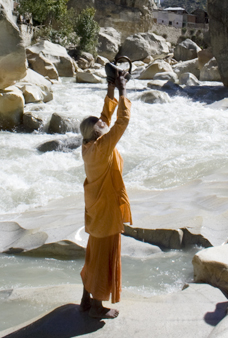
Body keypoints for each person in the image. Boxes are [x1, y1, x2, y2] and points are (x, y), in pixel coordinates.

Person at [78, 69, 132, 318]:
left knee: (94, 253)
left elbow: (105, 116)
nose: (103, 121)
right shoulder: (103, 147)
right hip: (106, 212)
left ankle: (86, 297)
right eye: (100, 124)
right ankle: (98, 308)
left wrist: (110, 86)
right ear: (98, 132)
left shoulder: (89, 145)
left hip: (96, 212)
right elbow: (121, 122)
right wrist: (122, 91)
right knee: (103, 258)